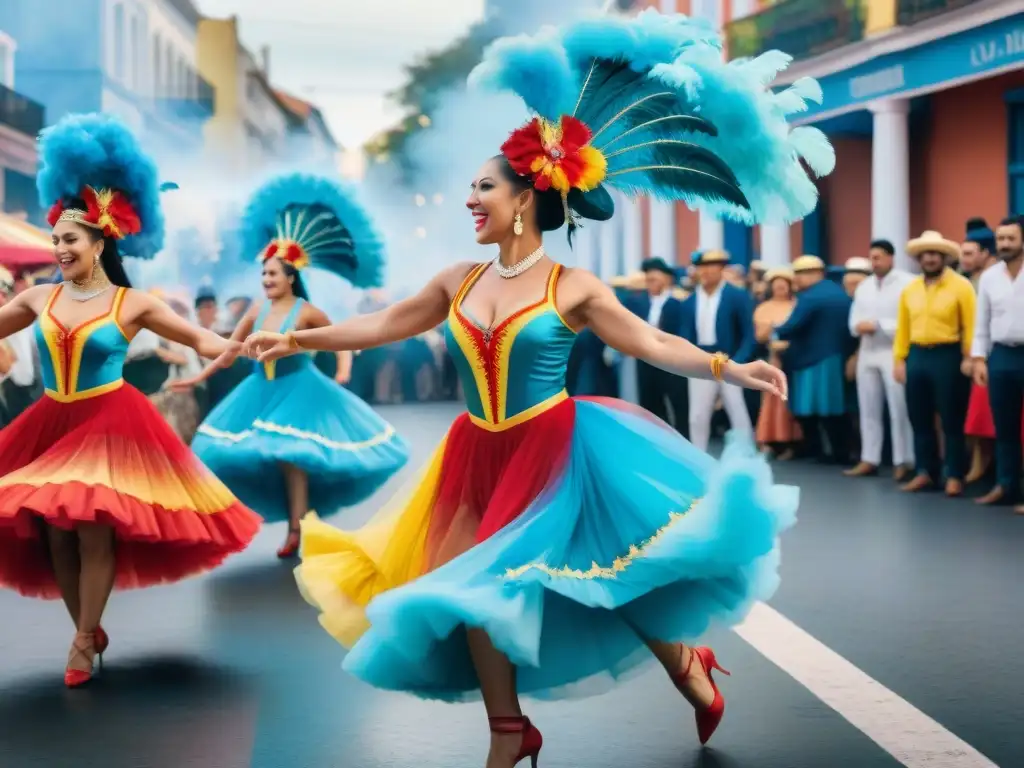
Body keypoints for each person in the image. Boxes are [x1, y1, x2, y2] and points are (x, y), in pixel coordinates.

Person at [249, 15, 829, 765]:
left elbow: (652, 343)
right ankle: (508, 729)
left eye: (481, 187)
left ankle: (687, 665)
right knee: (476, 589)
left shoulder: (572, 286)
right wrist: (296, 337)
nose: (470, 198)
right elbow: (386, 323)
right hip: (477, 454)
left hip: (559, 452)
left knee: (614, 579)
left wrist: (729, 368)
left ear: (522, 199)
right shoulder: (456, 280)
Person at [0, 114, 261, 687]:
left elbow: (197, 337)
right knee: (53, 534)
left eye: (70, 239)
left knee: (91, 528)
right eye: (56, 240)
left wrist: (240, 345)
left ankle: (78, 642)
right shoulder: (39, 297)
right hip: (49, 420)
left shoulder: (130, 303)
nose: (59, 248)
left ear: (99, 242)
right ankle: (87, 628)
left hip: (108, 424)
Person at [177, 173, 409, 558]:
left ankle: (297, 529)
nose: (266, 279)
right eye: (263, 273)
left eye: (273, 273)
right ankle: (288, 523)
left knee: (291, 458)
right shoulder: (255, 310)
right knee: (234, 455)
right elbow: (230, 349)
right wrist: (197, 377)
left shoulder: (308, 311)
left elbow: (340, 340)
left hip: (301, 391)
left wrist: (343, 370)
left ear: (291, 277)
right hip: (258, 393)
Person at [894, 230, 975, 496]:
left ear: (943, 257)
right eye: (925, 254)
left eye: (934, 254)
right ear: (919, 258)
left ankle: (954, 474)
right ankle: (924, 471)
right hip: (917, 354)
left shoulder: (961, 286)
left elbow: (970, 325)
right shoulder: (910, 290)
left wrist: (969, 356)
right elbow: (903, 328)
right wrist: (899, 359)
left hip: (948, 354)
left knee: (952, 416)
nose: (929, 259)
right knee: (919, 416)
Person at [773, 255, 855, 464]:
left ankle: (818, 449)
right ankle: (841, 451)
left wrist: (774, 331)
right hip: (839, 355)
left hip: (813, 359)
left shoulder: (810, 297)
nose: (796, 281)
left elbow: (791, 326)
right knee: (836, 407)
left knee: (811, 407)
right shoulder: (839, 293)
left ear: (813, 274)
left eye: (799, 275)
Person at [844, 241, 915, 479]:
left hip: (893, 350)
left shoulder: (907, 283)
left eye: (878, 258)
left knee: (899, 407)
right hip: (867, 350)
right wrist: (859, 326)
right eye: (871, 258)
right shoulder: (864, 286)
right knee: (868, 407)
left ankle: (903, 460)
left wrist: (879, 325)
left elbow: (910, 320)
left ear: (891, 258)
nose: (874, 263)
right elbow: (853, 320)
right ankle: (869, 458)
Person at [971, 215, 1024, 510]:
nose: (1003, 244)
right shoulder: (989, 277)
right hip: (1001, 355)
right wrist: (979, 358)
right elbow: (982, 322)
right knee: (1004, 425)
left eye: (1010, 239)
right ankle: (1006, 485)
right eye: (1000, 239)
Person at [679, 249, 756, 451]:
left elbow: (749, 333)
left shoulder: (737, 296)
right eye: (701, 267)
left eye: (711, 267)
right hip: (700, 361)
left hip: (729, 360)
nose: (706, 272)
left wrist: (739, 361)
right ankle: (698, 458)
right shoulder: (689, 301)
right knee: (697, 416)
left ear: (722, 269)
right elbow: (684, 335)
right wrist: (689, 359)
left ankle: (746, 458)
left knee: (737, 411)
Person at [628, 256, 690, 435]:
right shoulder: (639, 302)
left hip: (673, 361)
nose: (651, 283)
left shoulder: (679, 302)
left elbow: (685, 331)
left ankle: (683, 444)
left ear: (667, 278)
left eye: (654, 279)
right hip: (647, 360)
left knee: (679, 404)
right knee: (649, 405)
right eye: (648, 279)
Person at [961, 219, 1001, 489]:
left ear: (986, 253)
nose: (962, 259)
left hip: (995, 352)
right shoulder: (965, 281)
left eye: (968, 253)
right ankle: (978, 462)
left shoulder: (997, 278)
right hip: (971, 353)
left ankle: (996, 467)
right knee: (975, 414)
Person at [754, 267, 802, 458]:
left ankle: (793, 442)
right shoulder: (763, 308)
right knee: (772, 398)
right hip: (774, 359)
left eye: (784, 285)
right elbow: (759, 336)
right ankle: (769, 439)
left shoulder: (798, 305)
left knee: (792, 399)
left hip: (796, 358)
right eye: (777, 285)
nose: (780, 288)